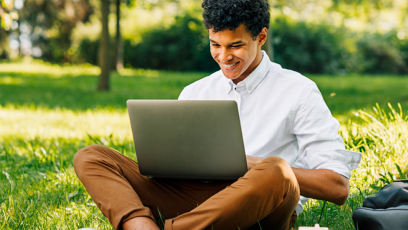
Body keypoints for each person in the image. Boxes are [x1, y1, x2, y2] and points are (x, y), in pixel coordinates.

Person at [73, 0, 361, 229]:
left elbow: (337, 187)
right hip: (195, 200)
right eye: (215, 45)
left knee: (277, 170)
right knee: (91, 156)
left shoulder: (299, 91)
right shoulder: (195, 92)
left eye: (235, 45)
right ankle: (141, 226)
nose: (224, 56)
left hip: (260, 206)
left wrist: (251, 165)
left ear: (261, 37)